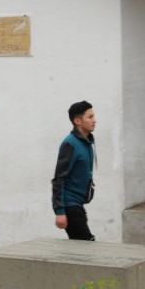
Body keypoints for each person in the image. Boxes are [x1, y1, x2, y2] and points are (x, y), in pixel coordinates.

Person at [51, 100, 99, 241]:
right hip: (69, 205)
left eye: (94, 116)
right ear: (77, 121)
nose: (94, 120)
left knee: (80, 249)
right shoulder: (70, 144)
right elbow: (58, 179)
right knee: (86, 245)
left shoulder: (87, 142)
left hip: (77, 204)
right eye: (90, 117)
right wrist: (60, 211)